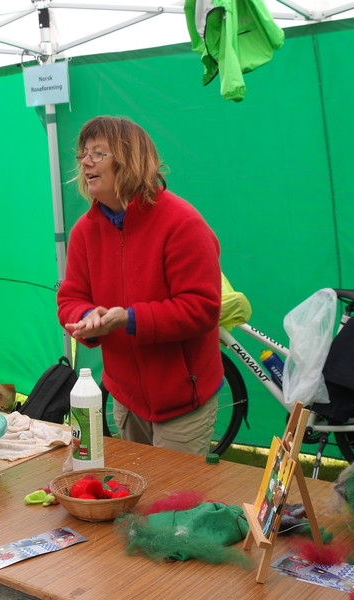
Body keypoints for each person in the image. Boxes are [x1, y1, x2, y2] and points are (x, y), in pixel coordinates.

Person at [57, 116, 223, 456]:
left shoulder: (182, 223)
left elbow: (202, 308)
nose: (85, 162)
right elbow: (70, 298)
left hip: (182, 398)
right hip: (126, 397)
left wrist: (129, 319)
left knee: (174, 490)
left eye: (97, 153)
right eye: (83, 154)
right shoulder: (84, 231)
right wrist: (87, 316)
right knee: (136, 484)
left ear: (130, 159)